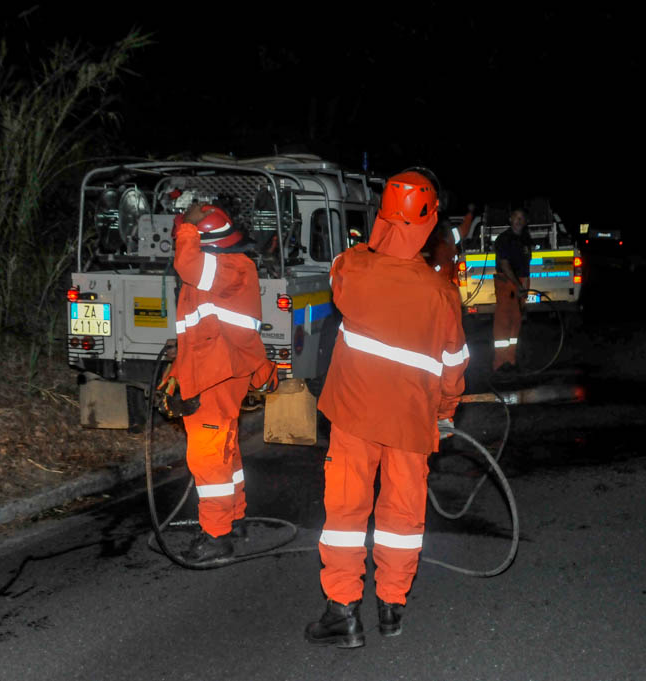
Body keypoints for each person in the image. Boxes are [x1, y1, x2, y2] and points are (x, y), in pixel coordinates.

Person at [305, 170, 470, 648]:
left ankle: (342, 613)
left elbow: (340, 268)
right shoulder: (442, 294)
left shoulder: (355, 269)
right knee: (401, 514)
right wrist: (445, 412)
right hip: (411, 420)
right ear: (429, 222)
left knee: (346, 511)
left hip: (354, 415)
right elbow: (454, 367)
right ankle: (392, 607)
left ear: (383, 216)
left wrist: (376, 241)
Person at [162, 202, 277, 562]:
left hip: (217, 374)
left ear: (204, 240)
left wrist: (187, 227)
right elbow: (205, 327)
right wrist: (176, 371)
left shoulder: (225, 267)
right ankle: (234, 517)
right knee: (225, 450)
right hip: (215, 369)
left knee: (209, 458)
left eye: (191, 237)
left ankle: (216, 535)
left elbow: (187, 263)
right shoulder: (221, 268)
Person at [491, 208, 532, 372]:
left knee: (516, 323)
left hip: (520, 284)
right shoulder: (503, 239)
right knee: (503, 324)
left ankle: (511, 360)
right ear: (510, 219)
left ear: (526, 221)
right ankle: (500, 363)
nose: (519, 220)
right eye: (516, 217)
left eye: (522, 217)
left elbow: (526, 265)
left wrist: (525, 286)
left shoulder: (526, 239)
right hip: (506, 284)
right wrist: (518, 285)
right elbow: (504, 265)